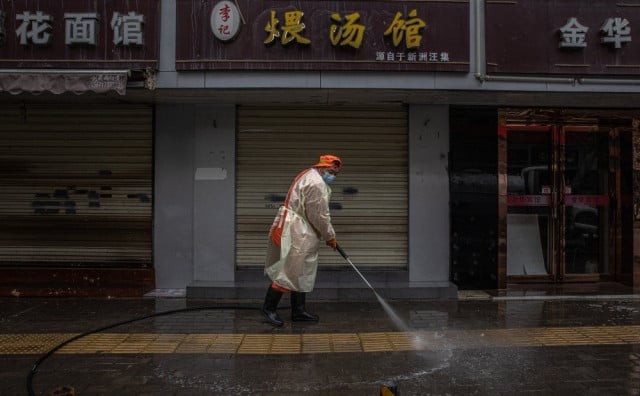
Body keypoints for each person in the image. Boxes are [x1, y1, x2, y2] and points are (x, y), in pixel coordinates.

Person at [261, 154, 342, 327]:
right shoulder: (316, 183)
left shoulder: (308, 174)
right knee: (291, 269)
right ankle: (269, 309)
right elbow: (319, 215)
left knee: (300, 270)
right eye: (330, 172)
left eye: (335, 174)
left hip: (299, 227)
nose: (332, 176)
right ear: (321, 167)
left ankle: (298, 311)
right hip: (299, 230)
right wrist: (330, 236)